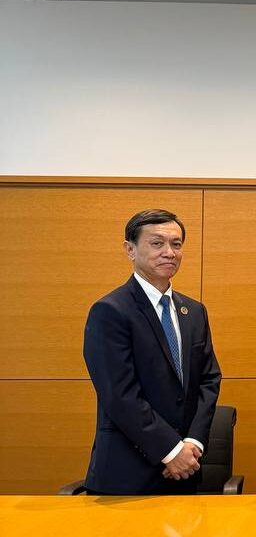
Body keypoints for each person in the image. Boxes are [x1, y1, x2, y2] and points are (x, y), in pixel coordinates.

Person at [83, 209, 221, 495]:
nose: (169, 252)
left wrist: (192, 443)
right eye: (157, 243)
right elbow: (119, 394)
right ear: (130, 250)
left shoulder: (194, 311)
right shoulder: (110, 311)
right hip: (128, 473)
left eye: (176, 244)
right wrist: (171, 451)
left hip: (185, 471)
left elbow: (209, 380)